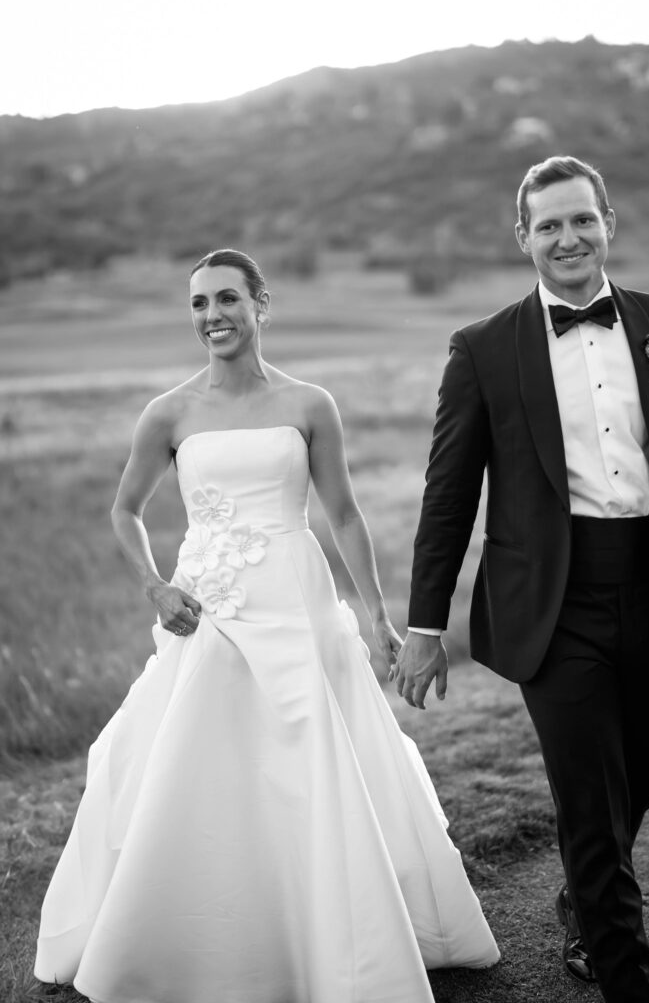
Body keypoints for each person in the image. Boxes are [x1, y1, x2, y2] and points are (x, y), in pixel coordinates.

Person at [34, 248, 499, 1003]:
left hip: (296, 598)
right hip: (207, 609)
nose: (211, 316)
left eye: (226, 299)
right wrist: (156, 589)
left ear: (261, 305)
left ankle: (324, 934)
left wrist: (378, 617)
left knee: (309, 752)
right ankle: (204, 936)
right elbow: (124, 510)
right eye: (198, 305)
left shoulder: (311, 404)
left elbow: (342, 513)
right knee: (200, 752)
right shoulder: (169, 413)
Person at [393, 156, 649, 1003]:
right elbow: (448, 496)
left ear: (608, 224)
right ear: (523, 238)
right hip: (549, 602)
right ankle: (628, 974)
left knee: (645, 762)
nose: (567, 237)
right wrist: (424, 624)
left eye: (581, 219)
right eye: (548, 224)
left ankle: (583, 902)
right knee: (588, 796)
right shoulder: (482, 349)